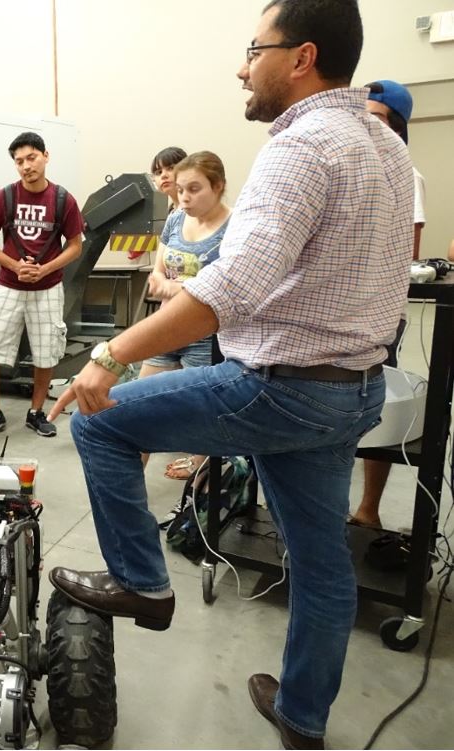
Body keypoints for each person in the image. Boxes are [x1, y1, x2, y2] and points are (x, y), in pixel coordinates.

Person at [47, 1, 410, 748]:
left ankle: (143, 584)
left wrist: (107, 356)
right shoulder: (384, 145)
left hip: (281, 384)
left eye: (254, 49)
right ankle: (303, 717)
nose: (242, 67)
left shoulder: (303, 145)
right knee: (318, 561)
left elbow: (230, 292)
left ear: (302, 56)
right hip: (351, 389)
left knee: (100, 421)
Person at [0, 131, 84, 441]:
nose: (25, 166)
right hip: (8, 286)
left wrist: (45, 269)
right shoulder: (4, 197)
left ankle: (36, 413)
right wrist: (14, 266)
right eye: (19, 161)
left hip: (47, 289)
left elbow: (75, 245)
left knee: (46, 353)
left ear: (46, 156)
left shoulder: (63, 200)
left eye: (31, 158)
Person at [350, 80, 425, 529]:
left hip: (374, 315)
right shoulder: (352, 163)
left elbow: (407, 254)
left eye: (375, 117)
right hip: (333, 314)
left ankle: (369, 509)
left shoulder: (404, 173)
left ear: (397, 128)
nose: (364, 125)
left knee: (375, 413)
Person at [143, 151, 232, 490]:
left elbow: (221, 287)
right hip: (166, 328)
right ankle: (128, 490)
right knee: (143, 405)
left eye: (194, 189)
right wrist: (167, 284)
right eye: (181, 190)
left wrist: (174, 287)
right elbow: (157, 271)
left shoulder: (233, 227)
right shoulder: (176, 219)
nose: (184, 197)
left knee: (200, 415)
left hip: (206, 335)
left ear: (219, 186)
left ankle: (199, 496)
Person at [149, 146, 187, 213]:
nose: (163, 175)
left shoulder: (197, 211)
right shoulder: (171, 212)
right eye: (159, 172)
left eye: (171, 168)